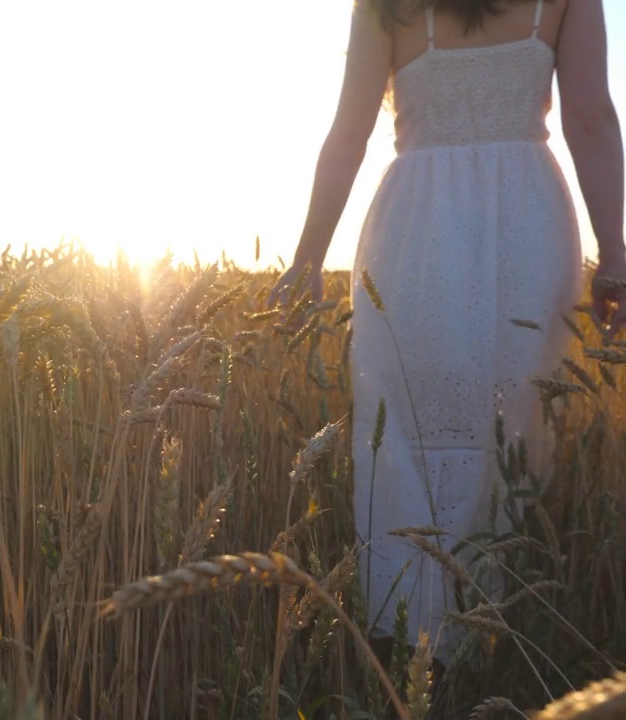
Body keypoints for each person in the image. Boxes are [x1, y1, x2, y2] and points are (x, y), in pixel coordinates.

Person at [267, 0, 626, 664]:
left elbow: (349, 132)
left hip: (415, 226)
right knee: (519, 426)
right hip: (530, 220)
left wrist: (308, 258)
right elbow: (591, 118)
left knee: (404, 432)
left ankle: (410, 641)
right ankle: (506, 643)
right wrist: (616, 250)